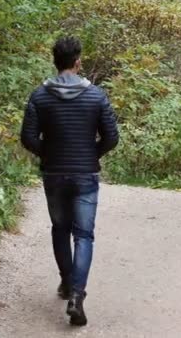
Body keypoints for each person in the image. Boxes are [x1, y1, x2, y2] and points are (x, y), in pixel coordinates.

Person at [20, 36, 119, 326]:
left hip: (54, 174)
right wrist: (92, 154)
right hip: (86, 174)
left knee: (60, 229)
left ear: (55, 61)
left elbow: (28, 137)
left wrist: (48, 154)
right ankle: (77, 294)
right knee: (84, 235)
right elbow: (112, 137)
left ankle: (66, 282)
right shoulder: (97, 96)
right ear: (77, 62)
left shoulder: (39, 96)